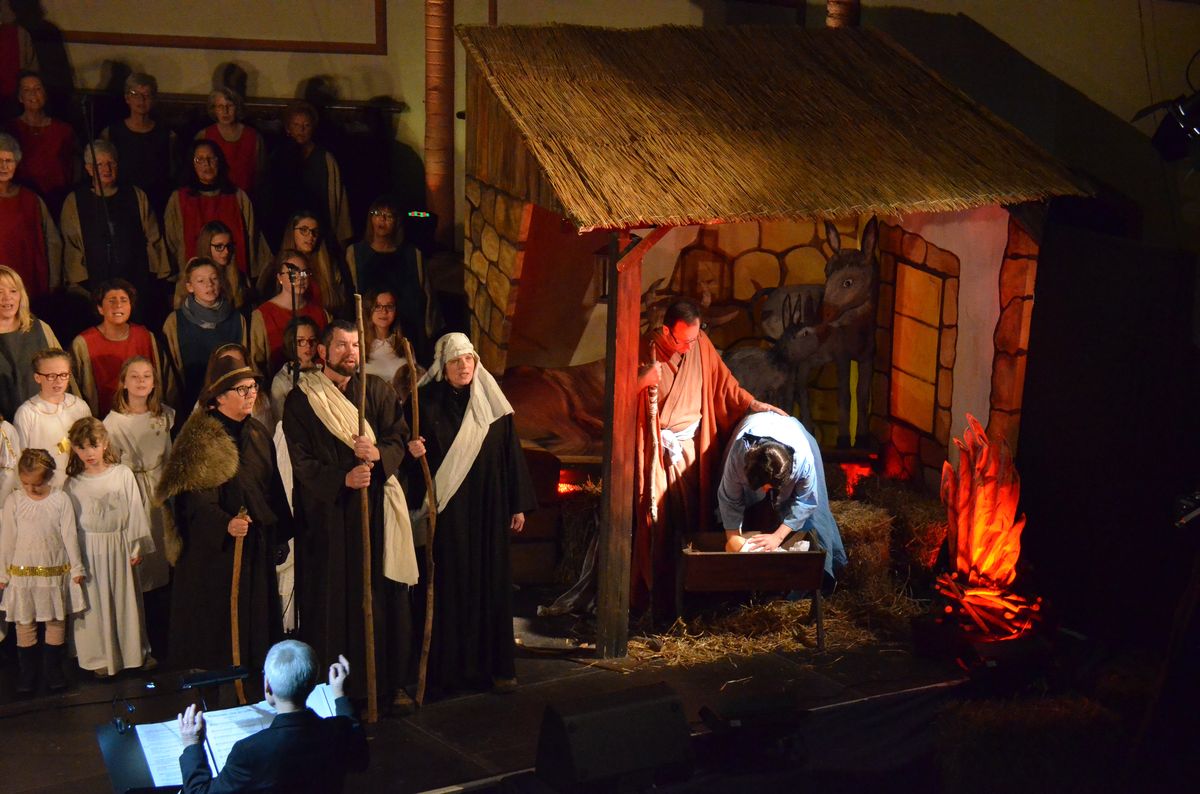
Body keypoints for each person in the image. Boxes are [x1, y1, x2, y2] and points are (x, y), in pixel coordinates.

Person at [283, 320, 418, 710]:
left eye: (356, 345)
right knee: (335, 599)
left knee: (381, 595)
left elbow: (398, 436)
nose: (350, 352)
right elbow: (301, 461)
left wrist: (378, 454)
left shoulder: (376, 390)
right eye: (341, 345)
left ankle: (387, 683)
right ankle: (335, 690)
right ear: (322, 352)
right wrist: (342, 478)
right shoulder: (302, 399)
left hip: (375, 511)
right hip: (329, 519)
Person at [633, 299, 783, 620]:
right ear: (666, 331)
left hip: (694, 452)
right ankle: (660, 595)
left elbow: (725, 384)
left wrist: (754, 404)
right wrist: (642, 380)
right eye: (683, 340)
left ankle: (696, 594)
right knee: (660, 521)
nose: (690, 346)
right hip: (660, 452)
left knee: (695, 518)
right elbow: (619, 396)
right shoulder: (646, 349)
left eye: (695, 337)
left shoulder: (700, 344)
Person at [406, 332, 536, 694]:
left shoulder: (492, 402)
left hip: (489, 509)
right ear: (443, 367)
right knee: (451, 584)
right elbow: (408, 453)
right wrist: (412, 451)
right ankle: (449, 672)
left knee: (490, 582)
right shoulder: (424, 404)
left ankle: (494, 667)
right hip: (449, 514)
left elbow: (510, 453)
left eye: (468, 359)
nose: (463, 366)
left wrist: (517, 503)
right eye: (455, 361)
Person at [157, 356, 289, 678]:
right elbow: (193, 499)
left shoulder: (258, 433)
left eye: (253, 387)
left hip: (254, 545)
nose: (251, 394)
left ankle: (254, 679)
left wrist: (281, 532)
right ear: (218, 397)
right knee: (218, 631)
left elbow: (272, 487)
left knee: (255, 625)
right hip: (216, 553)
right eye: (241, 389)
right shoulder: (201, 438)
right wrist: (224, 523)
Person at [176, 641, 368, 793]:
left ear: (268, 686)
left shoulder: (249, 751)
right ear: (313, 683)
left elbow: (200, 792)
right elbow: (360, 757)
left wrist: (192, 744)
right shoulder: (339, 730)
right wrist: (341, 695)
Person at [65, 417, 155, 677]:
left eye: (93, 446)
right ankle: (99, 657)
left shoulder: (122, 474)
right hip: (89, 549)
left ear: (104, 443)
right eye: (82, 447)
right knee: (94, 604)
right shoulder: (73, 483)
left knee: (124, 601)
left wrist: (135, 547)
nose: (89, 453)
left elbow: (135, 510)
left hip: (119, 545)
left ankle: (131, 653)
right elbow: (69, 524)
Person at [717, 411, 847, 583]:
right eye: (761, 485)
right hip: (753, 426)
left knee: (815, 518)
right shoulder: (739, 455)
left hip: (793, 432)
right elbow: (730, 498)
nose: (765, 490)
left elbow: (806, 501)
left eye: (768, 486)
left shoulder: (803, 460)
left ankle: (821, 575)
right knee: (746, 508)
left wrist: (777, 537)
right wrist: (733, 538)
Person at [0, 449, 85, 693]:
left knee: (55, 621)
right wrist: (3, 573)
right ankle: (28, 674)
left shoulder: (60, 500)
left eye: (36, 484)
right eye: (26, 483)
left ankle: (53, 670)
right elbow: (7, 539)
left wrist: (76, 567)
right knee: (24, 622)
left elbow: (69, 535)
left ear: (48, 477)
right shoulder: (15, 501)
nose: (31, 488)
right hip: (23, 574)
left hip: (53, 570)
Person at [60, 139, 170, 319]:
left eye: (111, 163)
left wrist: (153, 275)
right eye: (99, 164)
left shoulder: (136, 195)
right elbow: (72, 247)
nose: (106, 169)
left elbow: (153, 237)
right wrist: (83, 286)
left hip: (136, 286)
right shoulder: (75, 201)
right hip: (93, 290)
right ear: (89, 169)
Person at [104, 356, 176, 596]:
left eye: (147, 376)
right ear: (123, 383)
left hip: (159, 484)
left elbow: (168, 453)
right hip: (132, 488)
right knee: (141, 542)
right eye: (134, 377)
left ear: (154, 382)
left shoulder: (163, 415)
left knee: (162, 539)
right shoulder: (114, 422)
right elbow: (112, 464)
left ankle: (163, 590)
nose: (141, 381)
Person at [346, 196, 438, 362]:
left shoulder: (413, 254)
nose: (382, 219)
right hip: (369, 332)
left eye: (389, 216)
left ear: (397, 221)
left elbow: (427, 296)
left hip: (408, 331)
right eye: (377, 214)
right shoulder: (355, 253)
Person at [164, 139, 270, 282]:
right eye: (199, 160)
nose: (206, 164)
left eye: (211, 158)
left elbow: (253, 238)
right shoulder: (178, 199)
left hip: (234, 279)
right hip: (194, 282)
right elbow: (171, 242)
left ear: (219, 161)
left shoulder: (238, 197)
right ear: (191, 164)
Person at [162, 258, 248, 415]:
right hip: (190, 402)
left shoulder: (237, 319)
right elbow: (171, 373)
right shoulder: (175, 322)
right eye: (201, 281)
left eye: (214, 279)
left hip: (230, 402)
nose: (209, 285)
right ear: (189, 286)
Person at [70, 279, 164, 416]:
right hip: (101, 422)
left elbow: (162, 381)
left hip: (145, 419)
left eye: (124, 300)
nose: (118, 305)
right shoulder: (83, 343)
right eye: (112, 301)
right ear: (100, 308)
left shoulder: (145, 337)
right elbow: (74, 390)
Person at [265, 102, 352, 248]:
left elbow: (336, 198)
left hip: (318, 227)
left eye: (307, 125)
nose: (301, 130)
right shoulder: (277, 156)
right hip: (285, 226)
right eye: (296, 125)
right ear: (288, 128)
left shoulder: (325, 158)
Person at [13, 348, 91, 488]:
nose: (58, 381)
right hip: (46, 488)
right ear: (37, 378)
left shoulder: (79, 406)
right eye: (51, 376)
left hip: (79, 484)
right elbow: (21, 459)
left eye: (63, 375)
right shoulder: (27, 413)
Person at [0, 133, 62, 305]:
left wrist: (54, 281)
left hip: (26, 283)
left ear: (16, 164)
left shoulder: (31, 199)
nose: (3, 166)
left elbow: (52, 242)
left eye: (8, 161)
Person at [103, 73, 176, 217]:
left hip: (157, 202)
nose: (141, 100)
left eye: (146, 95)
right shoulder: (111, 133)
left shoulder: (167, 134)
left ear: (154, 99)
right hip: (122, 201)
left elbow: (173, 172)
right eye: (135, 94)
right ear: (127, 98)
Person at [0, 265, 67, 421]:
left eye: (13, 291)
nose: (7, 298)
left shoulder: (40, 328)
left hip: (46, 419)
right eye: (0, 292)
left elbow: (64, 373)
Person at [3, 71, 76, 213]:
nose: (33, 94)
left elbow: (74, 164)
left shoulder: (63, 130)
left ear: (45, 93)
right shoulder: (10, 129)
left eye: (37, 88)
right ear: (20, 97)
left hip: (57, 200)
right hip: (21, 201)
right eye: (26, 90)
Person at [249, 249, 329, 376]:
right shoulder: (263, 315)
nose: (300, 278)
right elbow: (256, 364)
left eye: (304, 273)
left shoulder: (320, 313)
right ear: (280, 277)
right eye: (293, 273)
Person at [271, 210, 350, 317]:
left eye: (315, 231)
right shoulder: (277, 266)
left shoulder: (328, 266)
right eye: (304, 230)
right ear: (292, 232)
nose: (310, 236)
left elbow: (340, 300)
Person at [196, 87, 263, 196]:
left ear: (237, 108)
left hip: (247, 198)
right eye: (220, 106)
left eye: (230, 106)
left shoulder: (253, 136)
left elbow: (261, 175)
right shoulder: (204, 135)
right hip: (213, 198)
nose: (225, 111)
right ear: (214, 110)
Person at [172, 221, 246, 311]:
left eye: (229, 246)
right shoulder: (191, 273)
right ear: (206, 246)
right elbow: (179, 309)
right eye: (219, 247)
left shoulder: (239, 276)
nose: (226, 252)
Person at [362, 289, 423, 395]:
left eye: (389, 306)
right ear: (369, 309)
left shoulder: (404, 346)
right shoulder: (358, 345)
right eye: (377, 306)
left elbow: (414, 382)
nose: (384, 311)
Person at [269, 316, 321, 421]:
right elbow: (280, 420)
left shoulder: (324, 372)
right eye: (301, 341)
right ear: (291, 342)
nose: (308, 346)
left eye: (312, 340)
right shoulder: (282, 380)